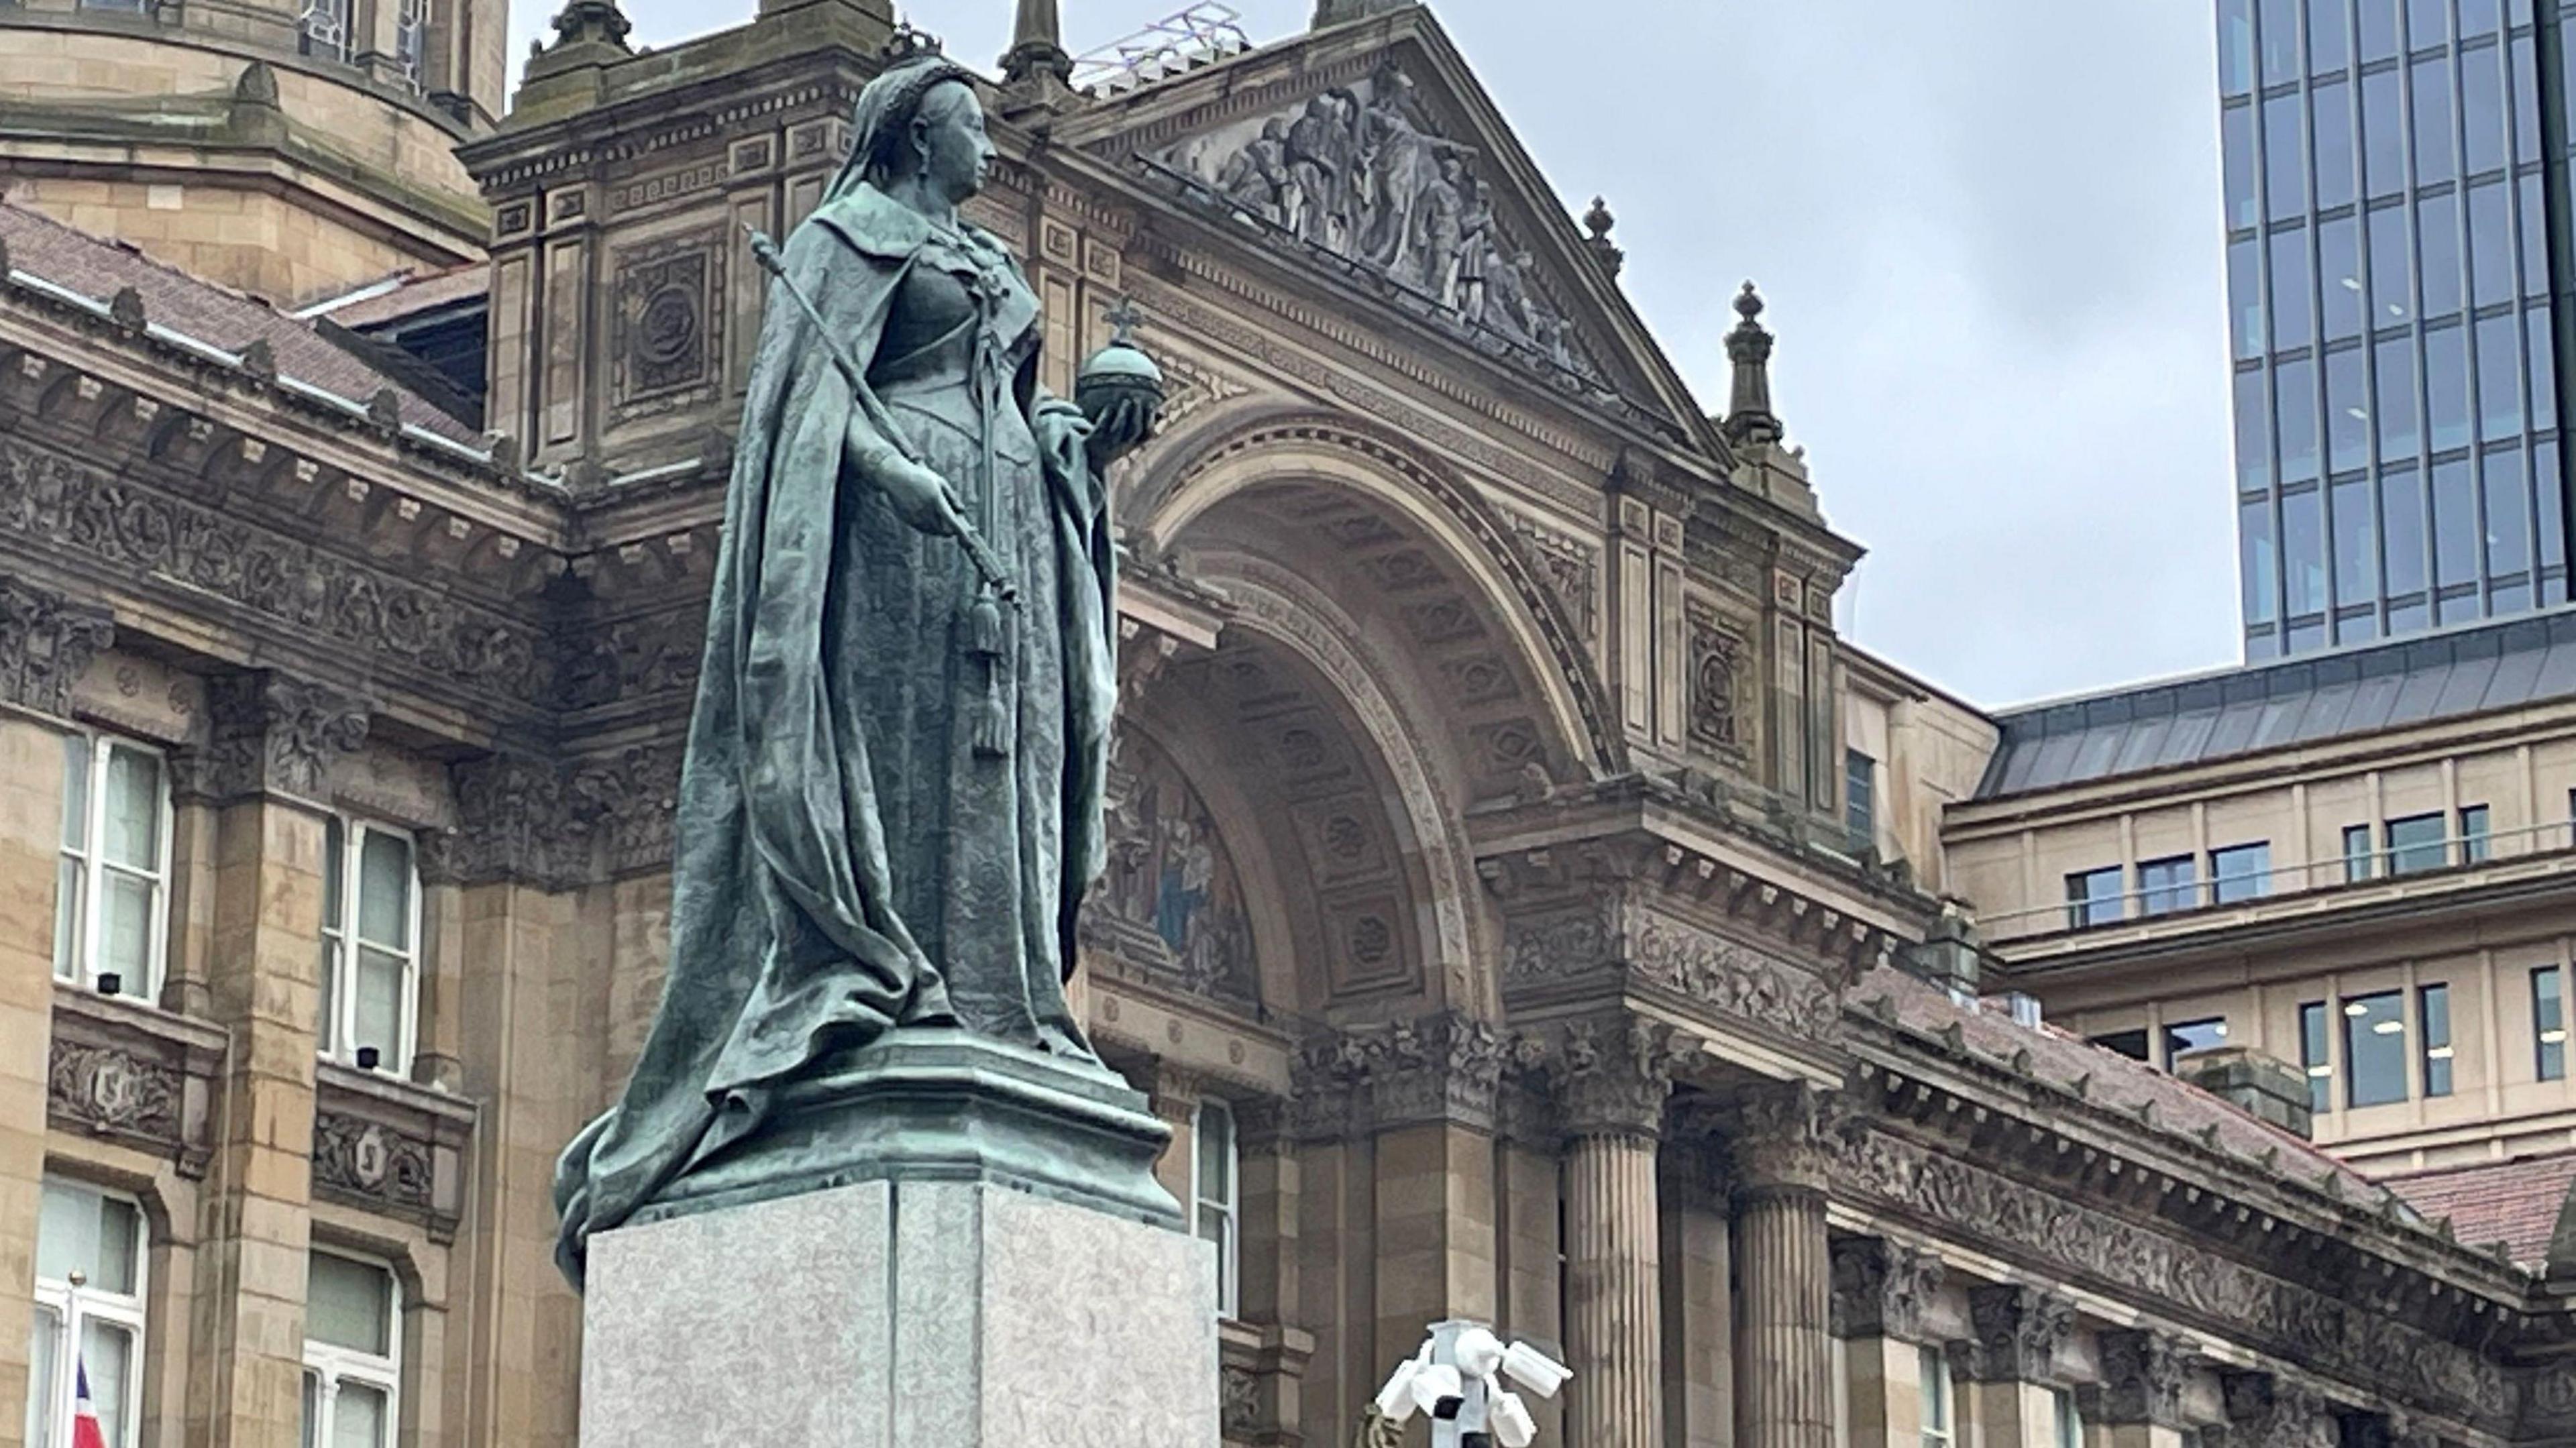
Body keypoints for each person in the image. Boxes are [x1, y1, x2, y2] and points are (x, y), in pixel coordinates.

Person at [550, 55, 1151, 1285]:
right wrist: (899, 479)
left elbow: (1010, 388)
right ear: (919, 137)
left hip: (1006, 524)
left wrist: (1063, 442)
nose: (988, 145)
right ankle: (893, 969)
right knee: (896, 747)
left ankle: (1005, 1000)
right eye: (971, 126)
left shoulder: (989, 260)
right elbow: (807, 411)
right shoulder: (844, 238)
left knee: (1007, 766)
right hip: (893, 534)